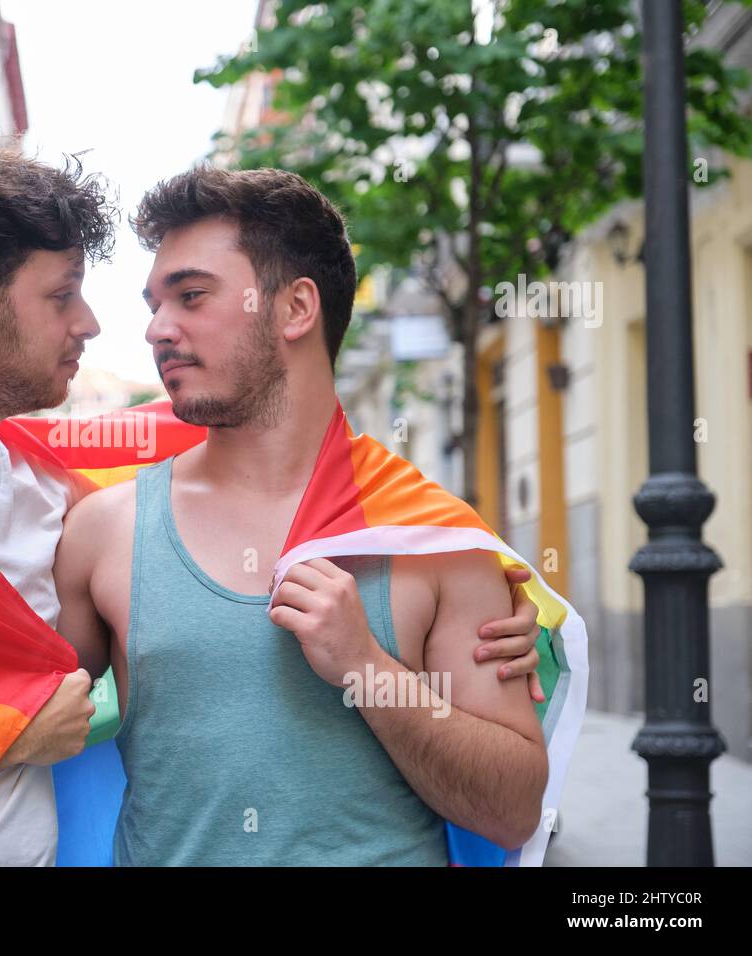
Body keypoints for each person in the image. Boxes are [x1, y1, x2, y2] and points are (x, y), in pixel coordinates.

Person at [53, 165, 549, 865]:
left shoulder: (431, 539)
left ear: (295, 308)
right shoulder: (102, 531)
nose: (156, 329)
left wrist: (366, 668)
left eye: (191, 296)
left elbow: (510, 810)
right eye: (154, 303)